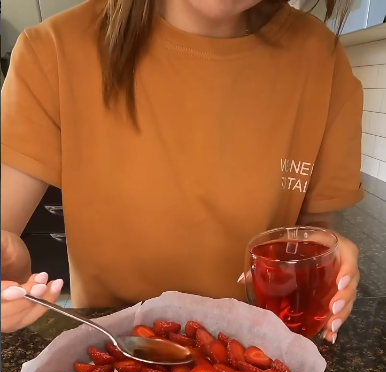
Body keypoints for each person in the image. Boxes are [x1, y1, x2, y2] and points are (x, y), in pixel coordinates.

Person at [1, 0, 361, 343]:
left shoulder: (322, 61)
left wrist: (326, 260)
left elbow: (315, 229)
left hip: (259, 355)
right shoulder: (53, 50)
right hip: (114, 362)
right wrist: (7, 269)